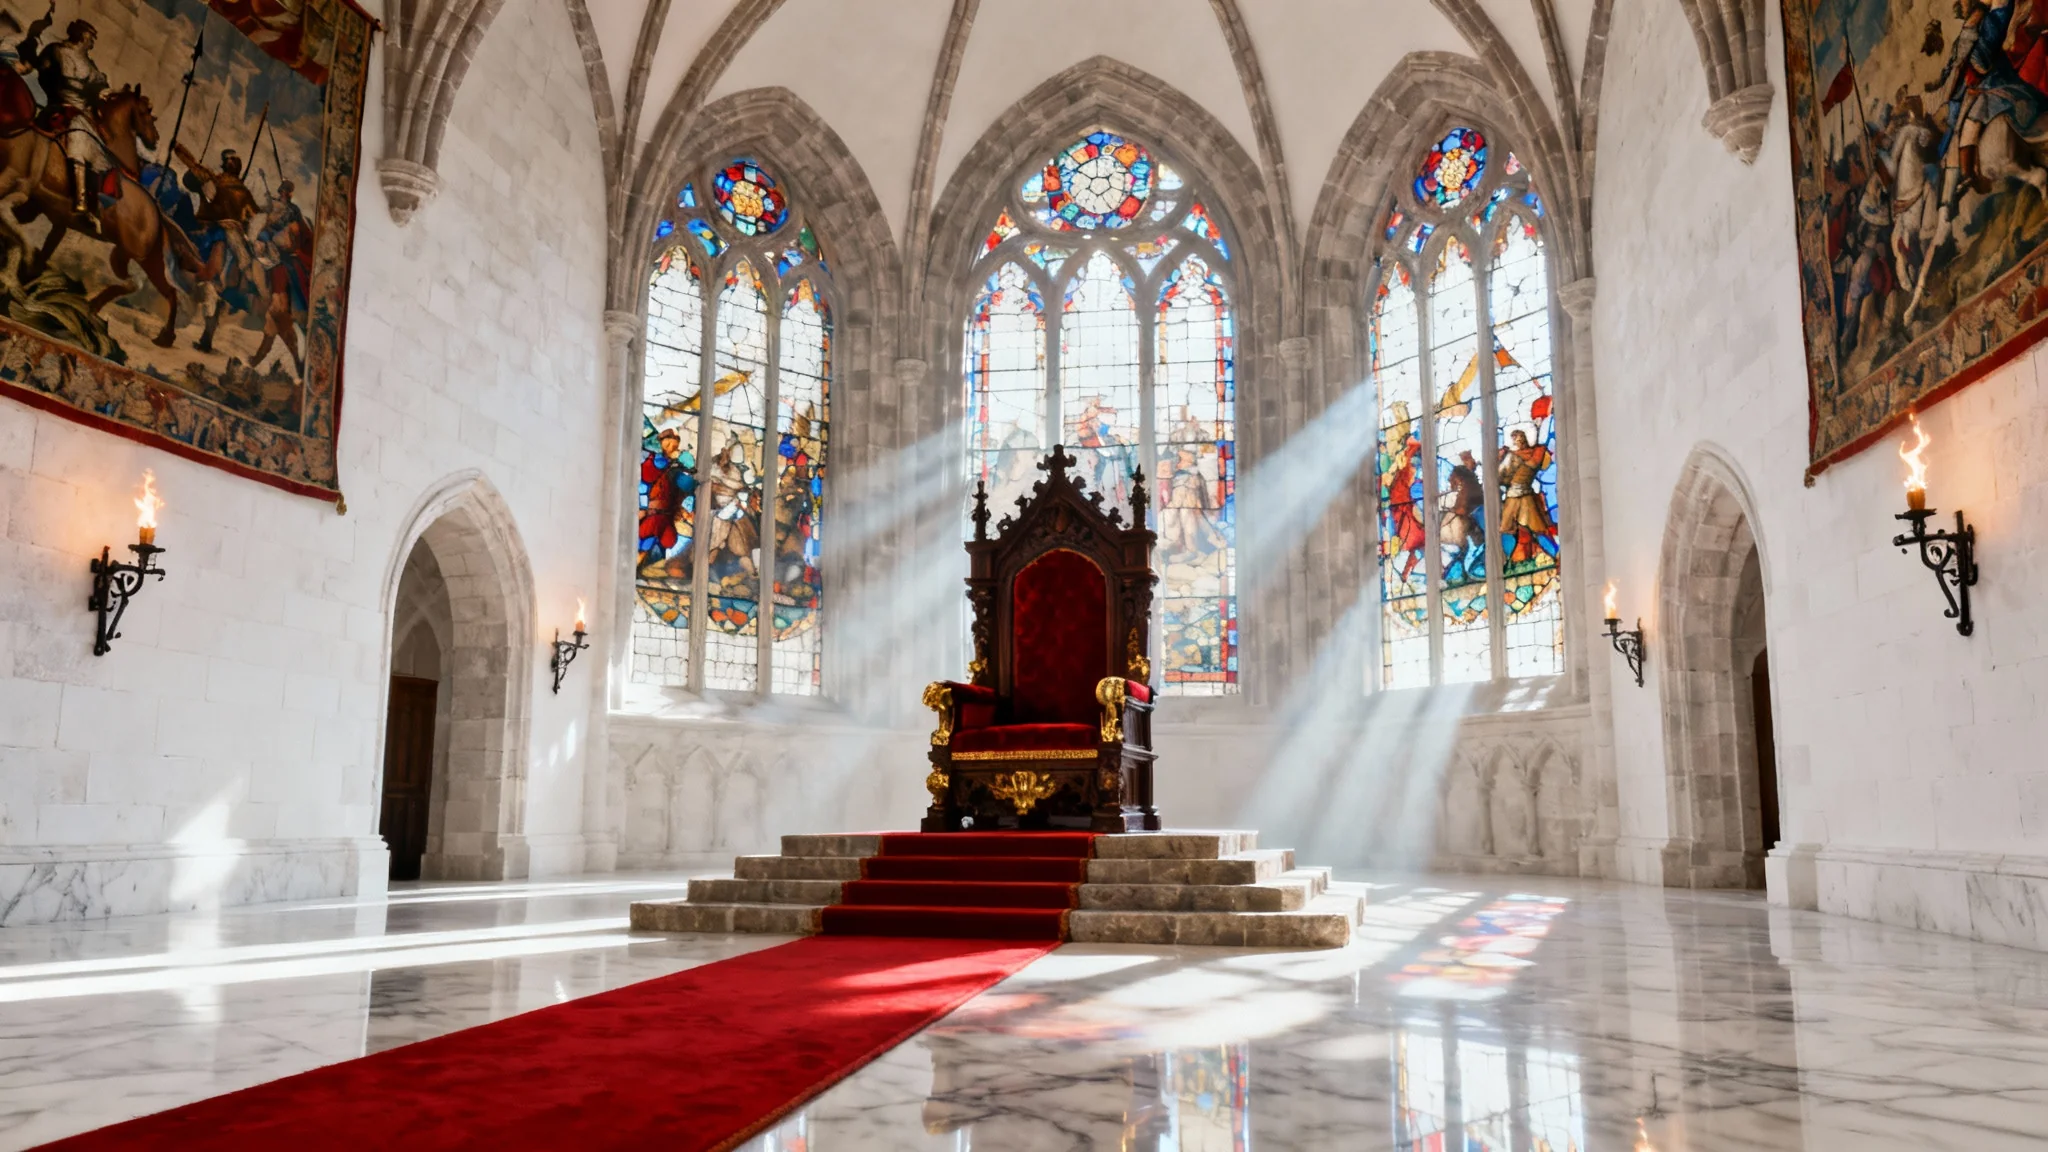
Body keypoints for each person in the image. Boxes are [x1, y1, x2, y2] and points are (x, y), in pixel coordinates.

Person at [20, 10, 108, 229]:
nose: (92, 44)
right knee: (78, 137)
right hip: (63, 108)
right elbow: (58, 78)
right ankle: (80, 202)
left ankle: (93, 202)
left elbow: (102, 84)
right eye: (91, 38)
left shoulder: (89, 62)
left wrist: (103, 90)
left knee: (100, 156)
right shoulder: (59, 51)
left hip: (84, 114)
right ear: (82, 36)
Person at [1498, 428, 1558, 565]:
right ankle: (1520, 558)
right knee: (1528, 530)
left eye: (1518, 438)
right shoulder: (1536, 453)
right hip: (1524, 495)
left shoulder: (1512, 457)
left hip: (1515, 497)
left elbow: (1500, 477)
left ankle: (1553, 555)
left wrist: (1502, 458)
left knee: (1532, 529)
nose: (1518, 441)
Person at [638, 427, 695, 569]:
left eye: (675, 442)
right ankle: (638, 568)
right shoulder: (653, 460)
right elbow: (645, 479)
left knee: (665, 544)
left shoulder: (678, 465)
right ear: (661, 442)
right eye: (668, 442)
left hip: (668, 515)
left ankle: (648, 567)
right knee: (645, 544)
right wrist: (643, 508)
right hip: (652, 512)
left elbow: (686, 485)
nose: (672, 446)